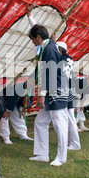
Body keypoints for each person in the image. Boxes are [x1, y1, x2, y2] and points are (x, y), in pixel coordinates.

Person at [28, 23, 69, 167]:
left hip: (55, 92)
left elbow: (49, 74)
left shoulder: (49, 49)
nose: (33, 42)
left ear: (39, 37)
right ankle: (42, 154)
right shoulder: (47, 46)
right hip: (51, 92)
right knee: (40, 122)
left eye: (33, 39)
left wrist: (42, 94)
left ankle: (61, 158)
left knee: (60, 125)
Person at [56, 41, 80, 150]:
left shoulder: (61, 60)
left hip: (67, 91)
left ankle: (74, 143)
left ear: (60, 50)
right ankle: (70, 142)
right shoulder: (69, 58)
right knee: (68, 118)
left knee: (70, 119)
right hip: (71, 90)